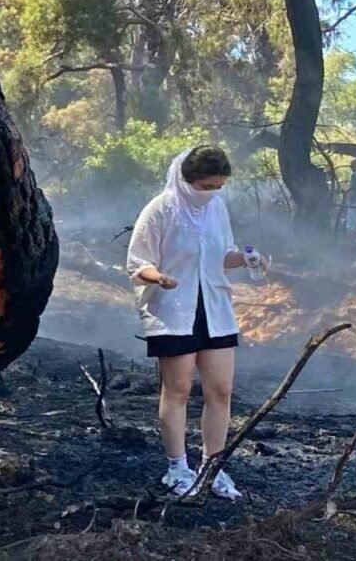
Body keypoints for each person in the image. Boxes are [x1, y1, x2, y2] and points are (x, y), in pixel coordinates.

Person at [126, 146, 263, 501]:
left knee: (220, 390)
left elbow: (223, 254)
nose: (212, 193)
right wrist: (159, 277)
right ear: (187, 180)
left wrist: (246, 259)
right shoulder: (160, 209)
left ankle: (212, 466)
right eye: (205, 186)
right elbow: (137, 262)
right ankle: (177, 467)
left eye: (219, 186)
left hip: (214, 309)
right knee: (179, 389)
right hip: (173, 311)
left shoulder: (217, 209)